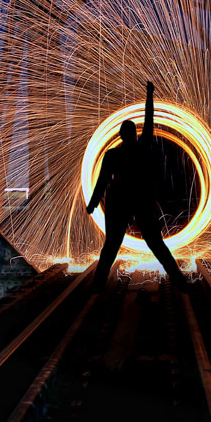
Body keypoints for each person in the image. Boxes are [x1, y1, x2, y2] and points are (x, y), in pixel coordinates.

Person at [86, 81, 190, 293]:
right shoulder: (142, 148)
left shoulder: (113, 154)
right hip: (141, 198)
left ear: (120, 136)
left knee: (112, 245)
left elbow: (103, 181)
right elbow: (150, 122)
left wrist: (93, 203)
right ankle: (179, 281)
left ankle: (97, 285)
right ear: (133, 134)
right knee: (156, 243)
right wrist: (149, 95)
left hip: (119, 200)